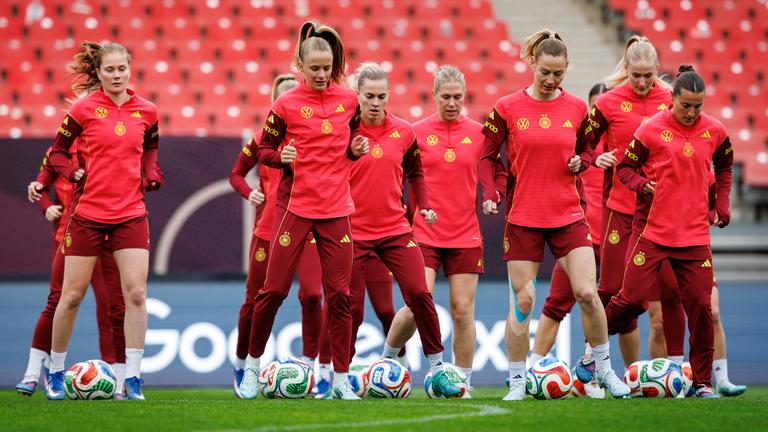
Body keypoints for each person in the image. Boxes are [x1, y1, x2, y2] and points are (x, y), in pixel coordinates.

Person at [479, 29, 630, 400]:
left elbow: (590, 151)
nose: (550, 80)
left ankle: (605, 371)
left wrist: (584, 161)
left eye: (557, 73)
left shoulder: (579, 108)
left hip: (567, 215)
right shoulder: (506, 108)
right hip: (524, 216)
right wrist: (491, 191)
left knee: (587, 294)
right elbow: (485, 155)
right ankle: (517, 382)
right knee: (524, 301)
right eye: (544, 71)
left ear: (566, 70)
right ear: (532, 64)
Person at [238, 21, 369, 400]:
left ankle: (341, 379)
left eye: (327, 68)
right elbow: (263, 152)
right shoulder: (286, 104)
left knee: (340, 296)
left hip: (337, 209)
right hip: (295, 207)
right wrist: (282, 157)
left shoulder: (349, 101)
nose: (322, 74)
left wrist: (353, 150)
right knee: (273, 290)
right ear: (301, 64)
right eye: (315, 68)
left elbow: (349, 142)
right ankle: (251, 368)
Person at [43, 41, 163, 401]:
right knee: (72, 296)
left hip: (130, 213)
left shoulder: (148, 111)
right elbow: (57, 153)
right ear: (98, 73)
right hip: (89, 215)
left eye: (121, 69)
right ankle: (55, 370)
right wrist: (73, 173)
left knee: (136, 294)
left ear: (130, 70)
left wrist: (151, 172)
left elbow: (151, 149)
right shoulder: (82, 110)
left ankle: (133, 378)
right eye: (109, 70)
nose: (116, 75)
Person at [607, 65, 733, 398]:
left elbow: (725, 166)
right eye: (685, 105)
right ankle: (594, 354)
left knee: (702, 310)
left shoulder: (716, 131)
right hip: (652, 234)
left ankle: (703, 382)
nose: (691, 113)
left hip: (694, 240)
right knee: (631, 300)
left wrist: (722, 204)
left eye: (698, 106)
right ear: (672, 99)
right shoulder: (650, 130)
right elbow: (624, 168)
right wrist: (641, 184)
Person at [383, 65, 505, 396]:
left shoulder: (480, 133)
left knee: (463, 310)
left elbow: (497, 173)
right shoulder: (415, 132)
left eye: (457, 97)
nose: (451, 102)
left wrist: (494, 195)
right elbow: (394, 173)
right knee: (415, 305)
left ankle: (461, 382)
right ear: (434, 95)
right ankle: (387, 363)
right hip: (423, 234)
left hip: (465, 234)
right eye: (445, 96)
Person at [347, 62, 461, 398]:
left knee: (420, 294)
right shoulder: (345, 131)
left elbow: (416, 174)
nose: (376, 102)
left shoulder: (404, 131)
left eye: (382, 96)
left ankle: (438, 369)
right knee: (349, 306)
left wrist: (423, 204)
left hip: (396, 230)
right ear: (357, 95)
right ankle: (339, 375)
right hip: (352, 232)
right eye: (369, 95)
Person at [228, 73, 325, 398]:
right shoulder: (261, 139)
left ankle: (312, 366)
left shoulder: (315, 137)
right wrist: (248, 193)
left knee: (313, 295)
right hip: (269, 230)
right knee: (255, 299)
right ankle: (243, 365)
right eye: (285, 97)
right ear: (276, 104)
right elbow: (236, 174)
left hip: (307, 225)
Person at [19, 149, 126, 398]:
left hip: (104, 237)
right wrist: (46, 205)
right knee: (59, 301)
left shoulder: (105, 143)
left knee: (111, 306)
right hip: (69, 237)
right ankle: (36, 371)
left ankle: (114, 372)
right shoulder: (57, 151)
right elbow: (41, 184)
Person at [530, 82, 609, 399]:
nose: (600, 111)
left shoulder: (629, 146)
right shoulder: (575, 141)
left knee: (608, 306)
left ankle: (594, 375)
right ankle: (533, 369)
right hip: (580, 236)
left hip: (615, 239)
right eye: (596, 105)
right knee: (555, 304)